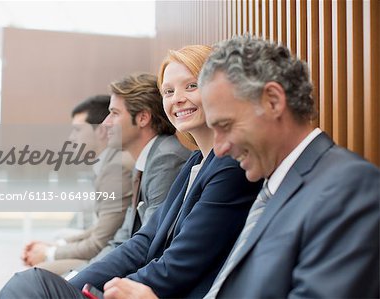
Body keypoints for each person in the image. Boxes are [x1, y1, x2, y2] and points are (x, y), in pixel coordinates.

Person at [103, 35, 380, 299]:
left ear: (273, 101)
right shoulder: (278, 186)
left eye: (225, 126)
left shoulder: (349, 188)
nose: (220, 149)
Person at [0, 47, 262, 299]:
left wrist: (110, 290)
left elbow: (181, 262)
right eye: (167, 91)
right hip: (146, 284)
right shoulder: (197, 161)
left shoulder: (228, 165)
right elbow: (144, 241)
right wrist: (72, 290)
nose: (177, 98)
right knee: (35, 282)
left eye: (191, 85)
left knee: (33, 284)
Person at [21, 95, 134, 275]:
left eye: (77, 130)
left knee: (34, 276)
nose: (71, 138)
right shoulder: (108, 165)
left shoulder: (116, 169)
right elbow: (101, 228)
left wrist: (49, 253)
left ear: (101, 131)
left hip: (109, 260)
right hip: (105, 253)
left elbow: (99, 242)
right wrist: (55, 246)